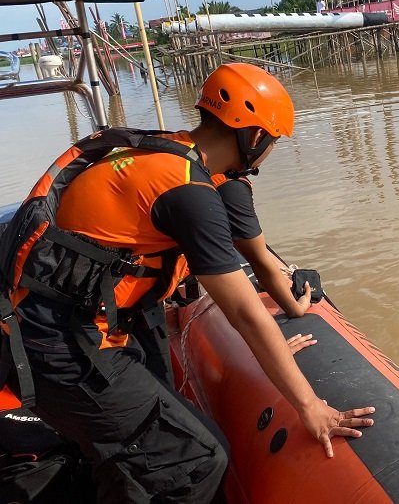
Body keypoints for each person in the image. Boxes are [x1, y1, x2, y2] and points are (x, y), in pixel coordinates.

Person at [0, 63, 375, 502]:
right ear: (255, 137)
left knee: (168, 440)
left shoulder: (159, 153)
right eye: (273, 141)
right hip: (63, 348)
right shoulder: (187, 190)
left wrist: (272, 356)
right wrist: (311, 406)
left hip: (54, 327)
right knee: (195, 461)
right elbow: (245, 314)